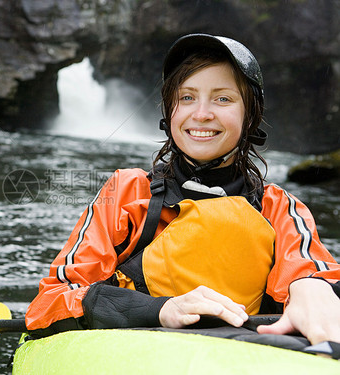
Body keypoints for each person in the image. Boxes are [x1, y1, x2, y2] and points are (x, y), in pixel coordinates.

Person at [25, 33, 340, 345]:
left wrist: (311, 288)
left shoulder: (279, 207)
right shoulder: (128, 192)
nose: (201, 114)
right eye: (187, 97)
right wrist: (160, 309)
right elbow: (49, 303)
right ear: (169, 112)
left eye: (223, 98)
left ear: (249, 116)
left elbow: (309, 268)